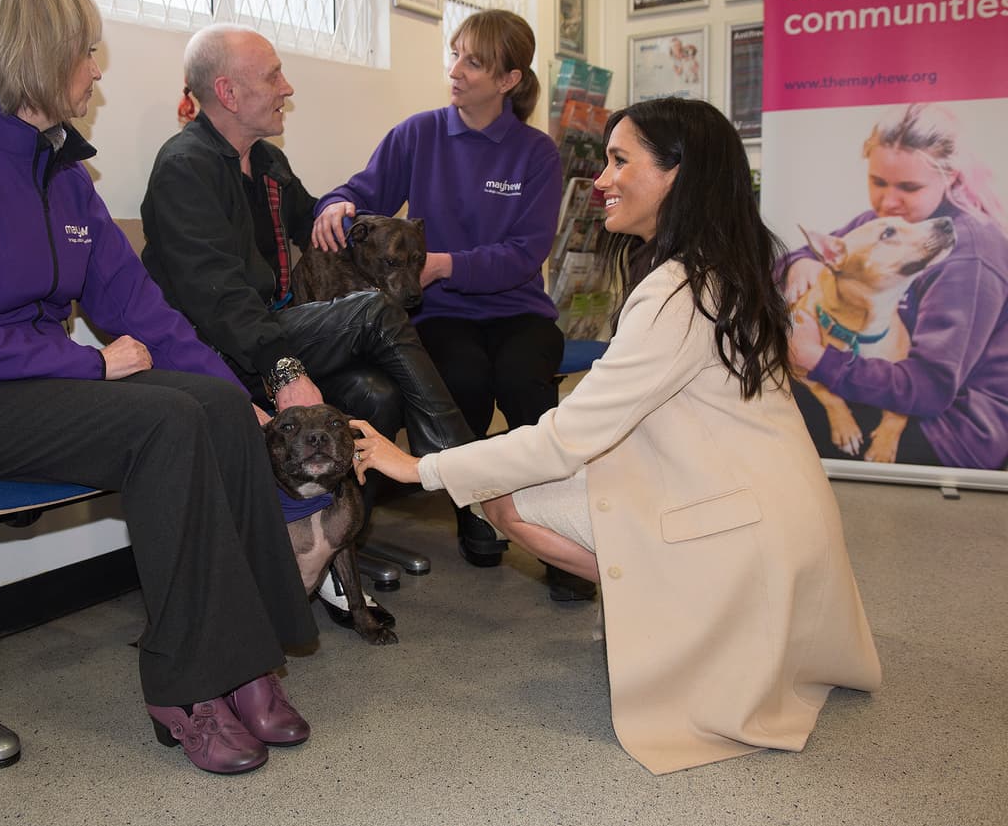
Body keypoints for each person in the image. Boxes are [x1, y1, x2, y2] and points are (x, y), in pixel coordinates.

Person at [0, 0, 317, 776]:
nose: (98, 69)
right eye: (89, 50)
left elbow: (140, 307)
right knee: (163, 421)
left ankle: (250, 659)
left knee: (207, 402)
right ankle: (185, 687)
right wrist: (86, 361)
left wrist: (241, 396)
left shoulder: (65, 174)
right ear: (38, 54)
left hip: (34, 388)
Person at [347, 98, 882, 775]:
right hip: (772, 518)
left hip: (741, 533)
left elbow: (562, 438)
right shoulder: (726, 270)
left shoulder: (676, 291)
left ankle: (680, 621)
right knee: (520, 476)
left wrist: (416, 466)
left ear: (677, 176)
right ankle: (678, 611)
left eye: (620, 160)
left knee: (503, 498)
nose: (599, 179)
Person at [139, 23, 506, 601]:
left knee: (375, 394)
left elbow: (318, 223)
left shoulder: (263, 162)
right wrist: (284, 370)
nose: (287, 87)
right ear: (229, 93)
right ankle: (467, 473)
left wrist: (337, 208)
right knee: (373, 314)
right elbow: (221, 303)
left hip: (266, 332)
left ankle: (333, 540)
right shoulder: (185, 169)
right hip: (217, 349)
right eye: (273, 76)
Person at [310, 9, 581, 596]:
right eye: (454, 55)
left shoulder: (536, 153)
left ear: (509, 79)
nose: (455, 71)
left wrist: (445, 266)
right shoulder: (419, 134)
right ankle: (476, 513)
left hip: (517, 311)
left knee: (526, 388)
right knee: (462, 381)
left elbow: (524, 252)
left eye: (473, 62)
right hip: (442, 313)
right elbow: (363, 190)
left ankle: (567, 539)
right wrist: (335, 204)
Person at [780, 102, 1008, 469]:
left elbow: (930, 389)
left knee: (769, 415)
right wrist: (800, 262)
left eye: (909, 187)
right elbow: (811, 253)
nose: (888, 201)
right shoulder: (891, 218)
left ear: (948, 178)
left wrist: (816, 359)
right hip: (894, 393)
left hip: (949, 430)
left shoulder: (969, 256)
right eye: (878, 182)